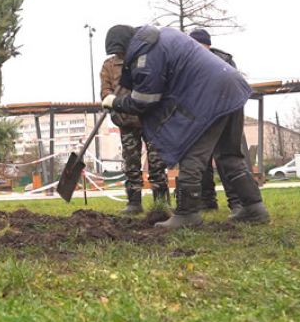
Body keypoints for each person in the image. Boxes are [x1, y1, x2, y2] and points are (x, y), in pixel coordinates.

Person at [101, 24, 269, 230]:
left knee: (192, 153)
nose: (120, 58)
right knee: (229, 154)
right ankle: (254, 207)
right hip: (231, 85)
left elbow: (146, 100)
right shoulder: (163, 37)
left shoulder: (147, 53)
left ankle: (187, 213)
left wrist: (114, 102)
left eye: (120, 53)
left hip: (210, 95)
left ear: (126, 45)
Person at [100, 25, 169, 214]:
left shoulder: (142, 59)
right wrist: (110, 99)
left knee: (156, 163)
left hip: (149, 119)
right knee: (131, 163)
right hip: (126, 121)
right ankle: (134, 202)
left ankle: (161, 202)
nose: (119, 54)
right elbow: (105, 89)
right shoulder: (108, 65)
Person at [188, 28, 243, 213]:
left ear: (208, 45)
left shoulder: (224, 60)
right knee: (201, 160)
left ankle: (236, 202)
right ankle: (207, 201)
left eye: (199, 45)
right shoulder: (187, 63)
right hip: (200, 116)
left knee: (225, 157)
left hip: (223, 114)